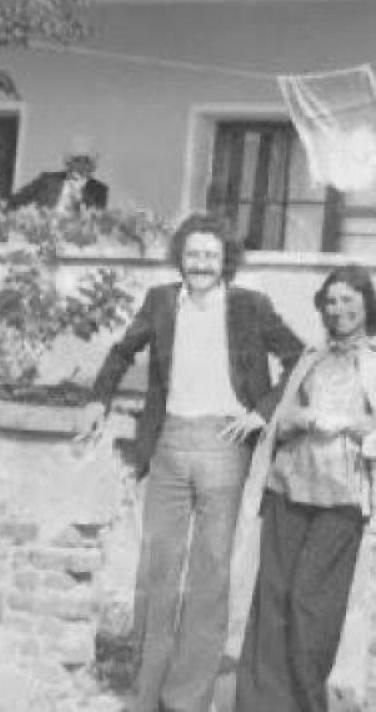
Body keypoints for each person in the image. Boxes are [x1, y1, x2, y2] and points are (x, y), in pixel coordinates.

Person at [75, 213, 304, 712]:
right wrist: (98, 399)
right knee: (157, 568)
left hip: (225, 445)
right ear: (180, 257)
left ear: (226, 261)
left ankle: (186, 699)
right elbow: (122, 352)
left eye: (211, 255)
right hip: (170, 442)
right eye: (193, 254)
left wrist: (263, 412)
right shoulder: (160, 301)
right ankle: (147, 694)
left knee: (210, 572)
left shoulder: (250, 306)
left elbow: (298, 357)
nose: (201, 263)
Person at [234, 265, 376, 712]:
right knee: (274, 596)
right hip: (288, 487)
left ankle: (304, 705)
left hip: (343, 496)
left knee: (312, 605)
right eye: (331, 302)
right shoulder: (312, 356)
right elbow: (281, 420)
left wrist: (354, 424)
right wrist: (302, 418)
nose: (339, 309)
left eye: (348, 300)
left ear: (367, 303)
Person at [8, 135, 108, 215]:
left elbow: (94, 218)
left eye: (86, 161)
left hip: (75, 232)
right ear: (68, 163)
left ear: (92, 167)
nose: (81, 166)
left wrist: (78, 197)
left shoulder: (99, 189)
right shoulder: (47, 180)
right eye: (77, 160)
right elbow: (15, 200)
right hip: (44, 230)